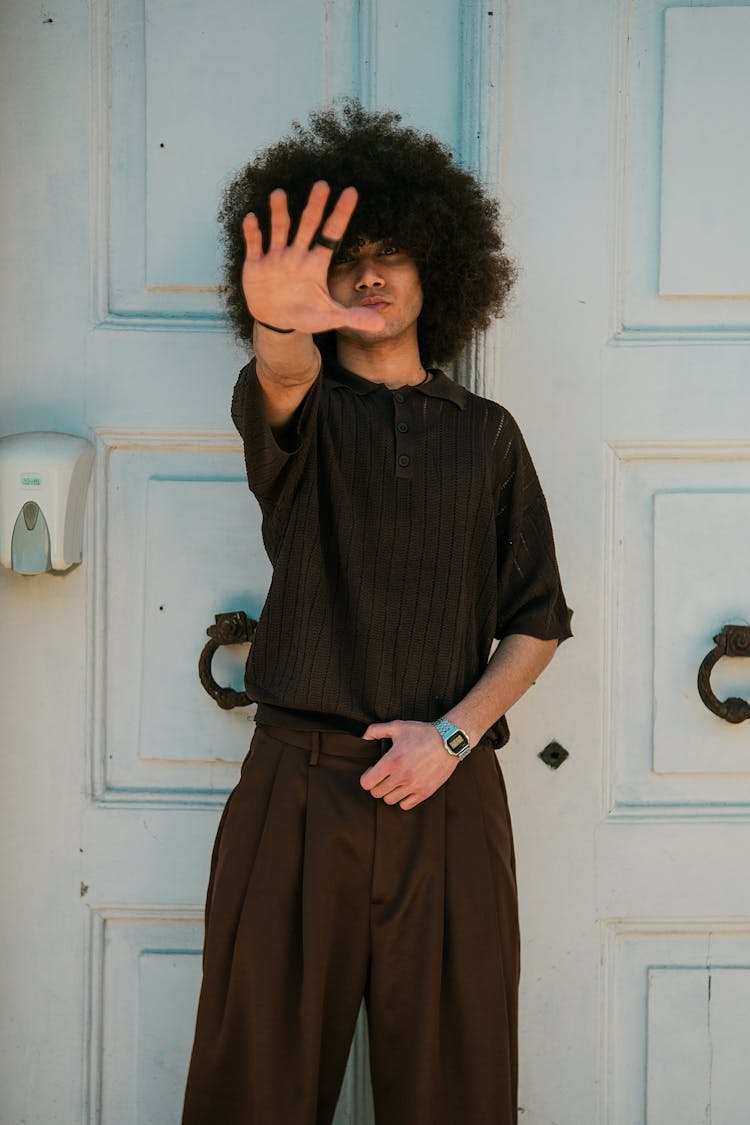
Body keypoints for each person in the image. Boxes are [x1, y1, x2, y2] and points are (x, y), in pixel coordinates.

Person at [182, 101, 572, 1125]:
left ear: (437, 267)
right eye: (347, 257)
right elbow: (281, 373)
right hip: (294, 794)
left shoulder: (485, 435)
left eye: (392, 252)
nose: (370, 273)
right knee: (254, 1089)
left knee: (458, 1089)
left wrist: (453, 737)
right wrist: (279, 322)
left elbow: (536, 618)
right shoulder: (301, 413)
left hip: (447, 796)